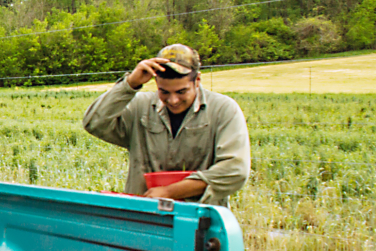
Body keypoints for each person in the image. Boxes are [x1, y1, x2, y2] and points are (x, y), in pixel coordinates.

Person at [82, 44, 250, 205]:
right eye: (164, 92)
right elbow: (94, 123)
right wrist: (130, 84)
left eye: (181, 92)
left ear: (197, 80)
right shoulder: (140, 106)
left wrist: (170, 192)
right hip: (144, 216)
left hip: (200, 218)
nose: (173, 100)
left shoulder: (223, 110)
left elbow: (235, 170)